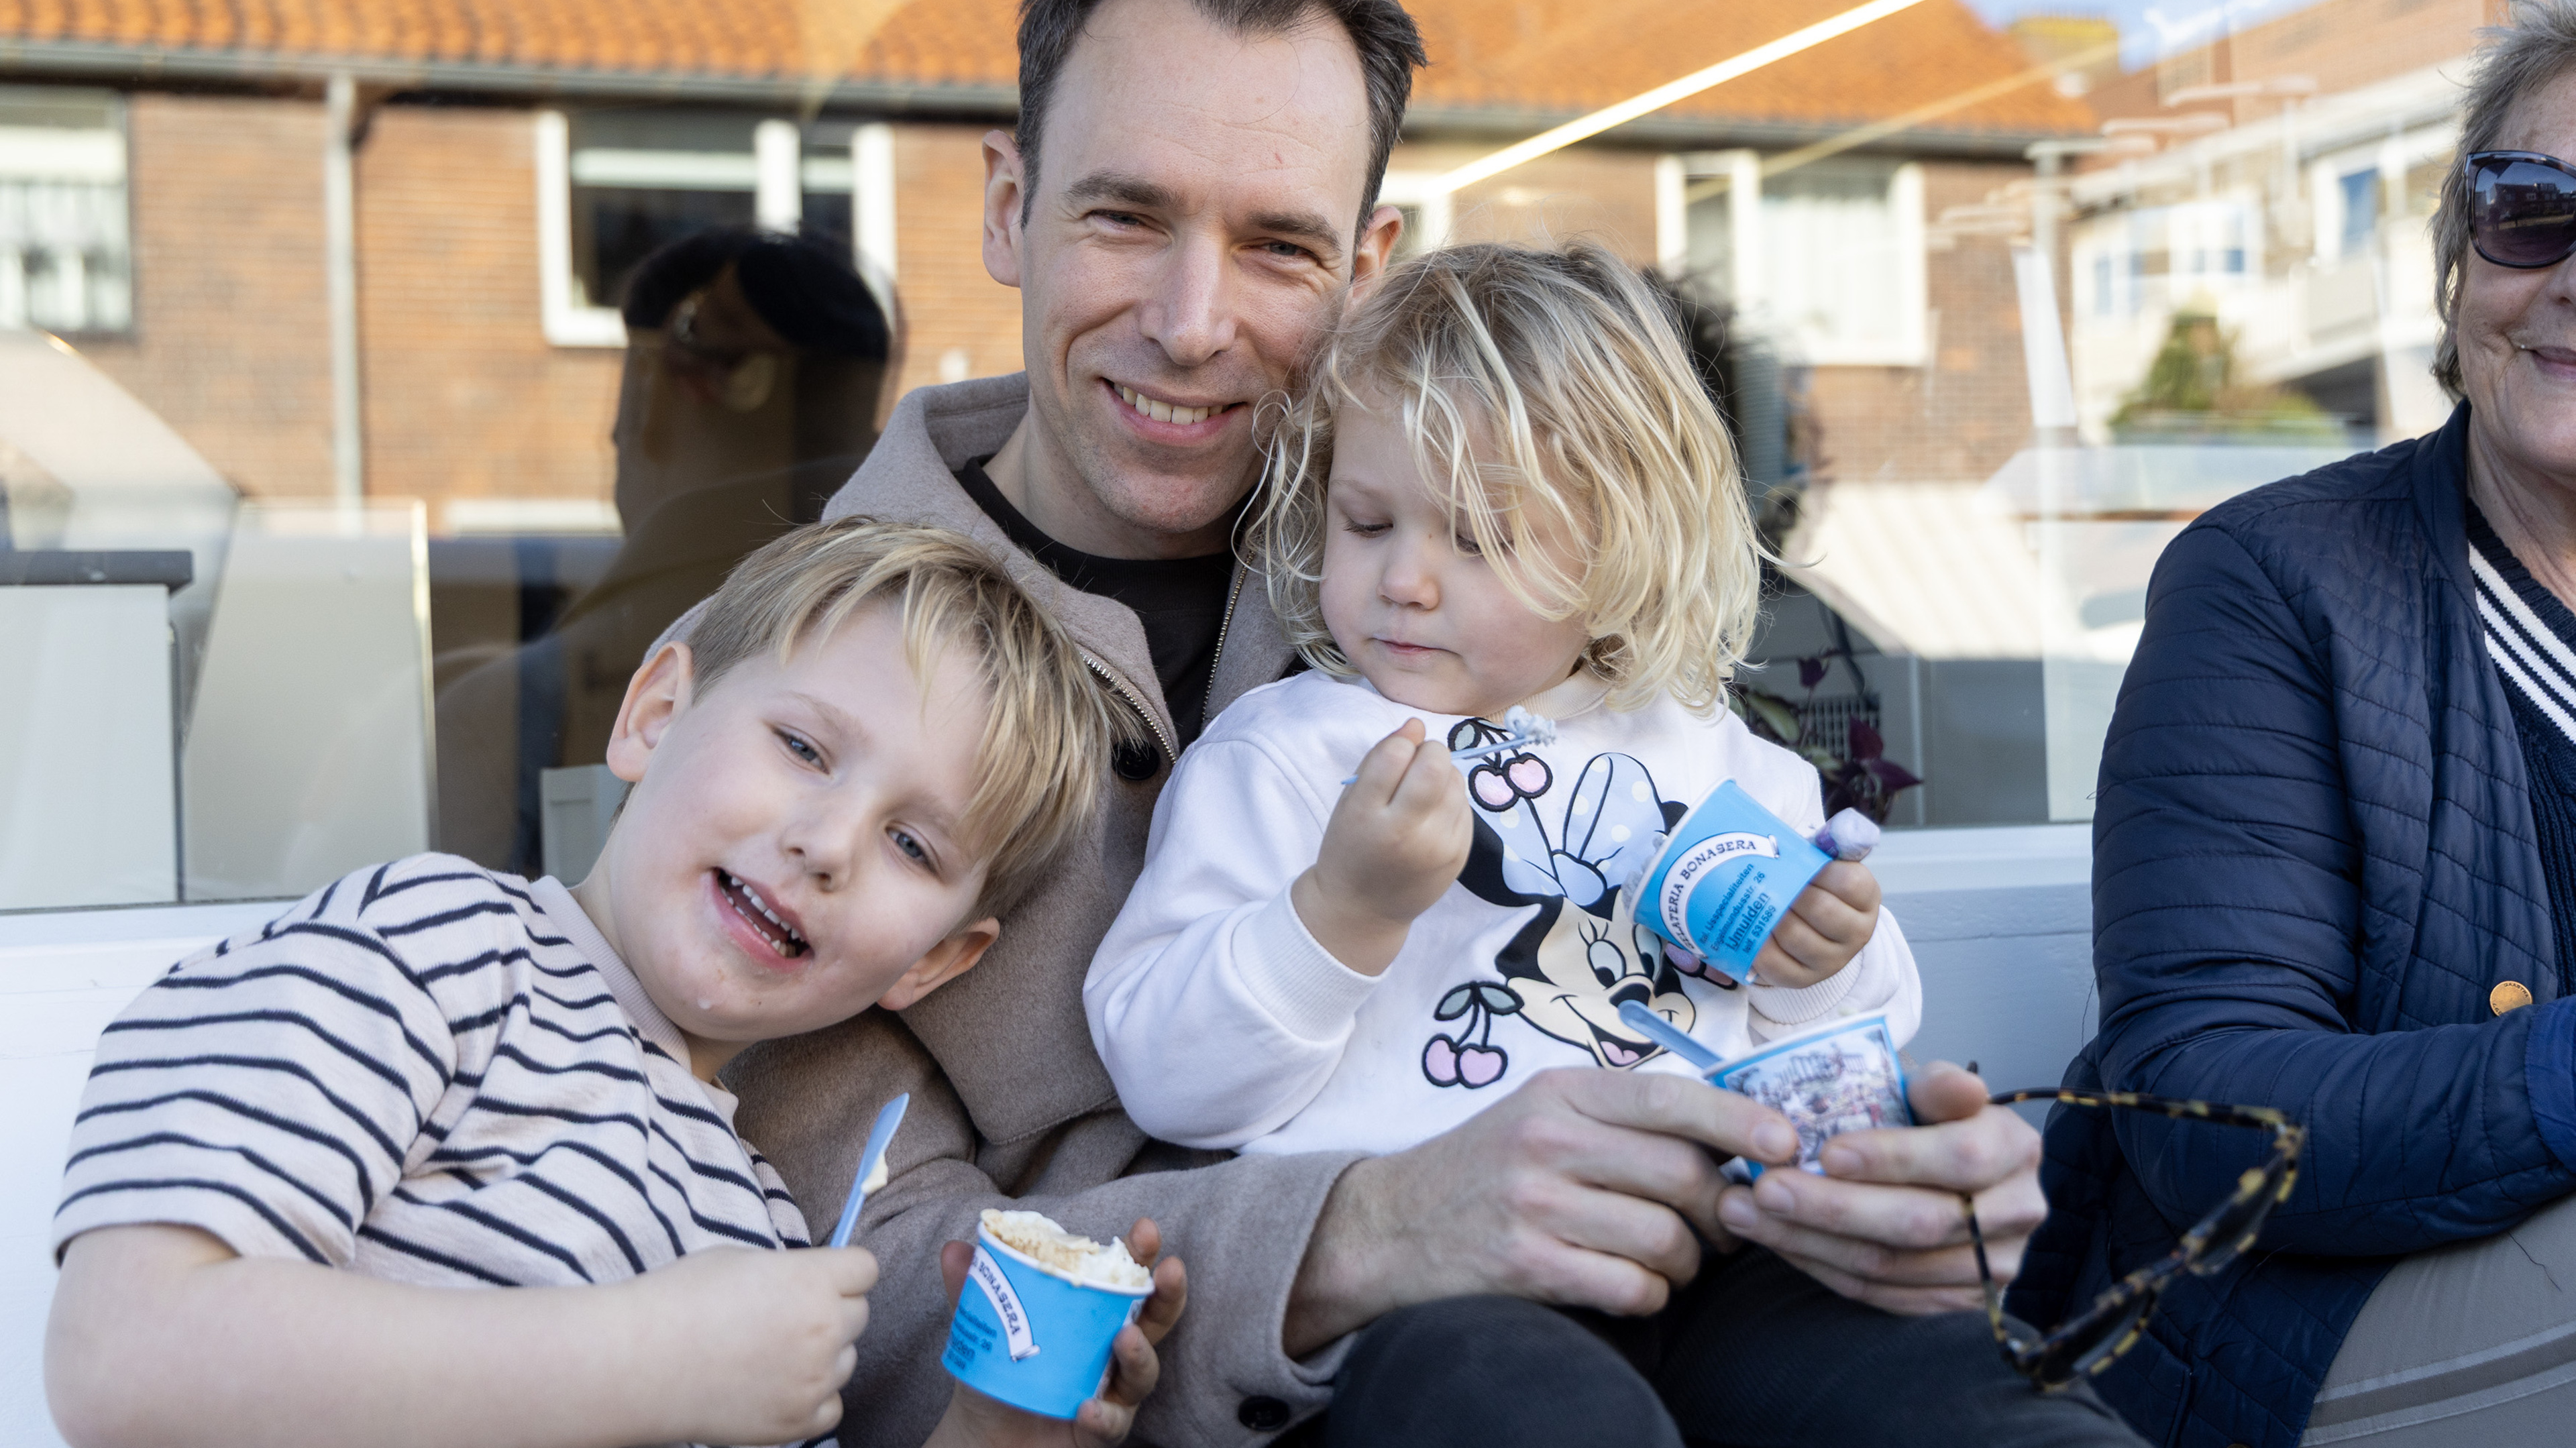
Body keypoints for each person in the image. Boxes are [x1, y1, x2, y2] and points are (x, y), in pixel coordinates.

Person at [727, 2, 2076, 1443]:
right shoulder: (786, 699)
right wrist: (1349, 1234)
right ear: (1010, 205)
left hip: (1738, 1284)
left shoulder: (1550, 591)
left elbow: (1791, 973)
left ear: (1366, 270)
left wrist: (1899, 1165)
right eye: (1127, 216)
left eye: (1278, 244)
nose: (1192, 324)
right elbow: (860, 1298)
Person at [44, 519, 1184, 1448]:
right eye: (802, 748)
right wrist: (649, 1362)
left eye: (914, 847)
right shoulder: (443, 948)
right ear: (654, 715)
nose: (830, 843)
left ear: (936, 960)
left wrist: (993, 1434)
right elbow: (123, 1354)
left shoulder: (762, 1234)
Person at [2010, 7, 2576, 1446]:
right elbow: (2205, 1098)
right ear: (2461, 261)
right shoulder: (2275, 583)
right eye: (2534, 215)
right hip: (2279, 1328)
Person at [1087, 243, 1920, 1152]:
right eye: (1366, 522)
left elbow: (1837, 1065)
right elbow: (1167, 1081)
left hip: (1715, 1239)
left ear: (1618, 551)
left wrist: (1822, 969)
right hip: (1431, 1264)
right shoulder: (1284, 758)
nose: (1404, 578)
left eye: (1481, 537)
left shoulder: (1729, 768)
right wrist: (1340, 911)